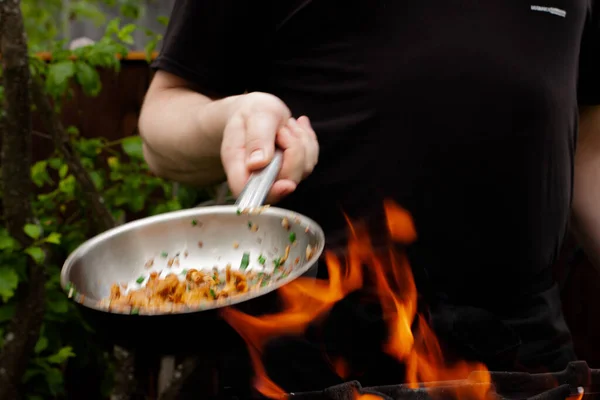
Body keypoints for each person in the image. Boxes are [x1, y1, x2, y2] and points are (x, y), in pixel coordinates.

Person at [139, 0, 600, 394]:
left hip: (524, 363)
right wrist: (233, 116)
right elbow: (162, 124)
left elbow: (587, 144)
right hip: (317, 358)